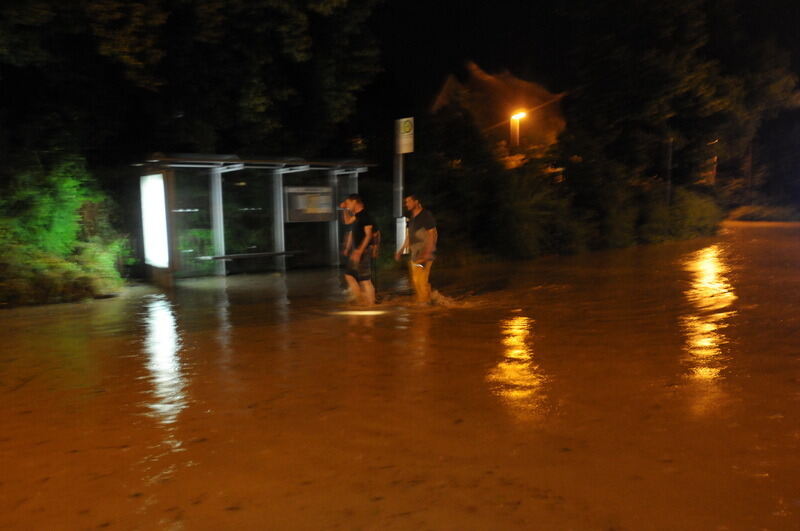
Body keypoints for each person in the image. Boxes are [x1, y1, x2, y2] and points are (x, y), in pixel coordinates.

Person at [395, 194, 437, 304]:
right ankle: (429, 301)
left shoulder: (425, 215)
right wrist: (401, 250)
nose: (406, 204)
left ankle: (424, 308)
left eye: (408, 201)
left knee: (421, 280)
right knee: (416, 280)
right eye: (406, 202)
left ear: (416, 202)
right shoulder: (413, 218)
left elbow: (433, 234)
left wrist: (428, 253)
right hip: (415, 255)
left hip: (424, 254)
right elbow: (409, 236)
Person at [342, 194, 376, 305]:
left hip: (362, 252)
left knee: (365, 280)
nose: (348, 205)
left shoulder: (365, 216)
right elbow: (347, 221)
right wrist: (344, 209)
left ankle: (371, 306)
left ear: (355, 202)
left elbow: (369, 235)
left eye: (348, 203)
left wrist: (360, 251)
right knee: (349, 275)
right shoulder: (357, 216)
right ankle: (361, 301)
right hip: (357, 252)